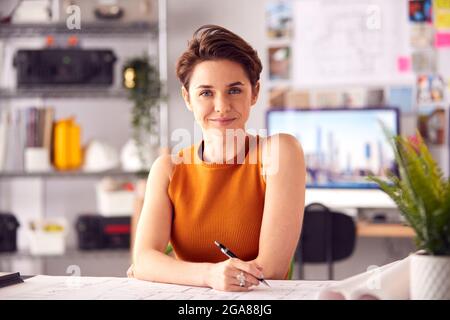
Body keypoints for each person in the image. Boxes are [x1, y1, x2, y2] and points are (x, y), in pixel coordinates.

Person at [129, 25, 306, 292]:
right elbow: (143, 261)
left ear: (254, 92)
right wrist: (209, 275)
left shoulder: (280, 152)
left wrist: (170, 270)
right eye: (206, 93)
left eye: (234, 90)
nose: (222, 106)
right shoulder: (168, 170)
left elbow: (271, 269)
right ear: (187, 98)